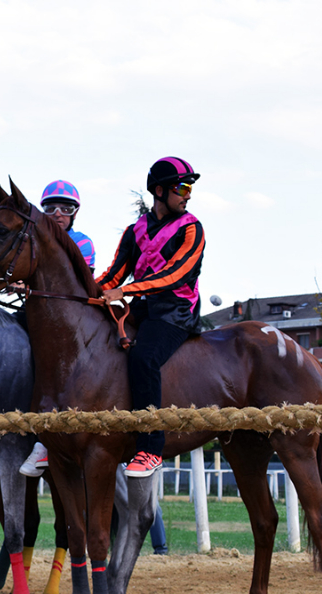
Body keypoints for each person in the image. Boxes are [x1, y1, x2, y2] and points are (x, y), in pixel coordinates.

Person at [96, 156, 205, 477]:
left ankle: (150, 447)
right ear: (159, 191)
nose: (188, 194)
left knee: (143, 358)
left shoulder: (192, 229)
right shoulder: (135, 231)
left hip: (175, 313)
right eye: (182, 187)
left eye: (189, 188)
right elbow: (113, 276)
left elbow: (176, 275)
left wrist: (126, 291)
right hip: (141, 308)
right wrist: (87, 293)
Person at [19, 181, 95, 476]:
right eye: (50, 208)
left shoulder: (82, 241)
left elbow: (68, 282)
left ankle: (44, 441)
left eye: (66, 208)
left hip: (76, 319)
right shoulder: (31, 242)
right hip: (39, 314)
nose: (58, 214)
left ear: (75, 213)